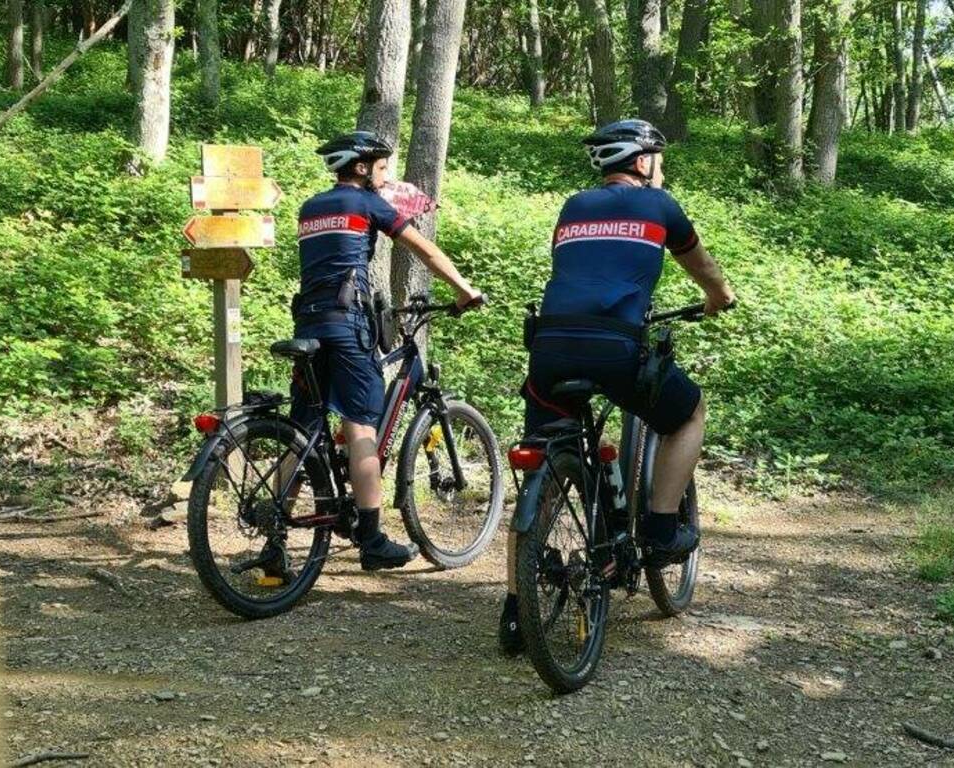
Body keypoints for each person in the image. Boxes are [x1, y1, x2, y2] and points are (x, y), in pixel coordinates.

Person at [499, 119, 735, 653]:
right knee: (688, 413)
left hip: (550, 349)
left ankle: (516, 612)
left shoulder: (574, 206)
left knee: (544, 456)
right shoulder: (662, 206)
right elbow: (704, 269)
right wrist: (719, 297)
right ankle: (658, 528)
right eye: (660, 158)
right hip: (616, 347)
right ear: (644, 161)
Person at [290, 131, 482, 572]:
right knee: (361, 428)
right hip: (347, 323)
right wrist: (464, 289)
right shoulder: (366, 203)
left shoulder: (311, 207)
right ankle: (373, 539)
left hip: (308, 322)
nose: (385, 175)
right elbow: (424, 249)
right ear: (360, 168)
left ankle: (274, 532)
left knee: (302, 431)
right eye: (380, 167)